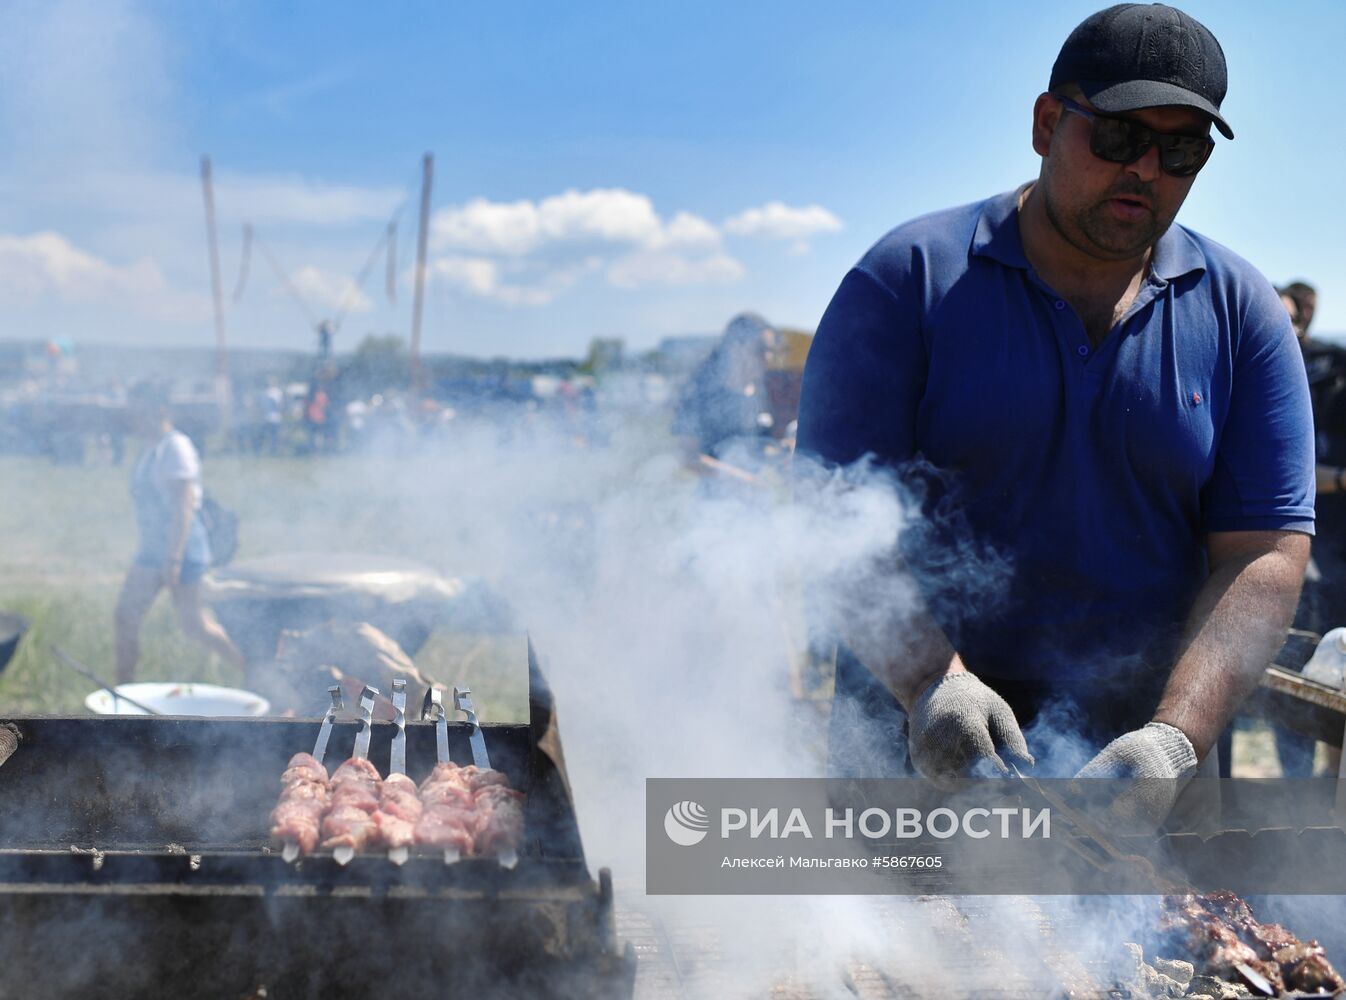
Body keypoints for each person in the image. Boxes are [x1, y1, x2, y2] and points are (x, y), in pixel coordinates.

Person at [797, 4, 1314, 828]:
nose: (1146, 168)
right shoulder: (908, 279)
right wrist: (932, 683)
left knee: (1180, 921)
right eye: (1118, 135)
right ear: (1046, 124)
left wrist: (1176, 739)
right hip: (916, 735)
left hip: (1146, 752)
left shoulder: (1241, 310)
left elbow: (1264, 551)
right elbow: (830, 514)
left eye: (1181, 150)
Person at [114, 382, 245, 685]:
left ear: (160, 410)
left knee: (194, 624)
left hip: (182, 549)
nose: (134, 418)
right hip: (152, 549)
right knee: (125, 616)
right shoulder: (151, 448)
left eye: (139, 411)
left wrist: (173, 559)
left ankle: (252, 671)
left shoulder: (176, 448)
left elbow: (183, 507)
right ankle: (123, 689)